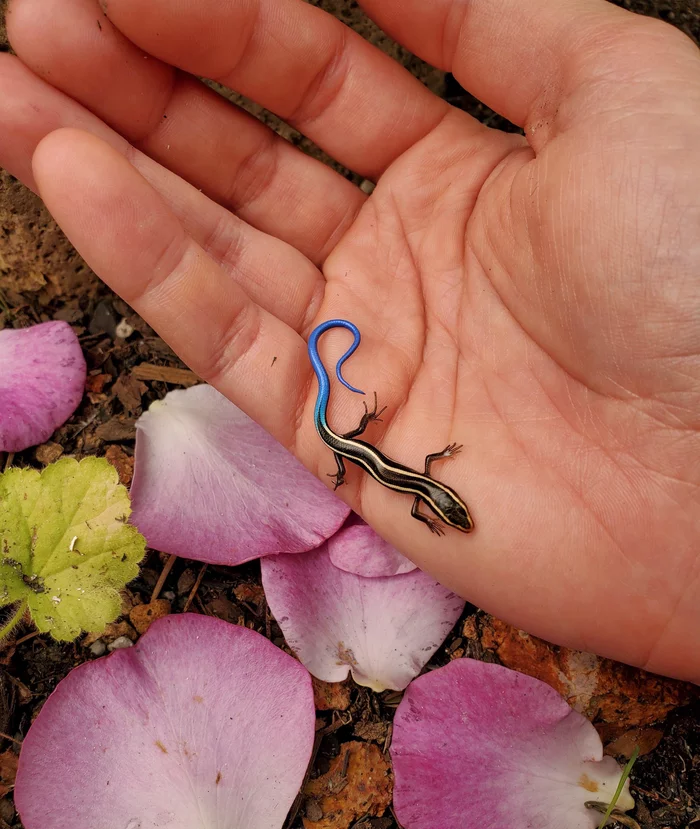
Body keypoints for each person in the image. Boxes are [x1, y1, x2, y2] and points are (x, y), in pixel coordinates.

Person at [0, 0, 698, 683]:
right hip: (349, 441)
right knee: (345, 416)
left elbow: (421, 469)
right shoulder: (414, 481)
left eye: (448, 514)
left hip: (352, 441)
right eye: (447, 511)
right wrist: (355, 464)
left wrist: (363, 466)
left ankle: (336, 380)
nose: (446, 511)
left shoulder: (421, 484)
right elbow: (418, 468)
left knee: (345, 409)